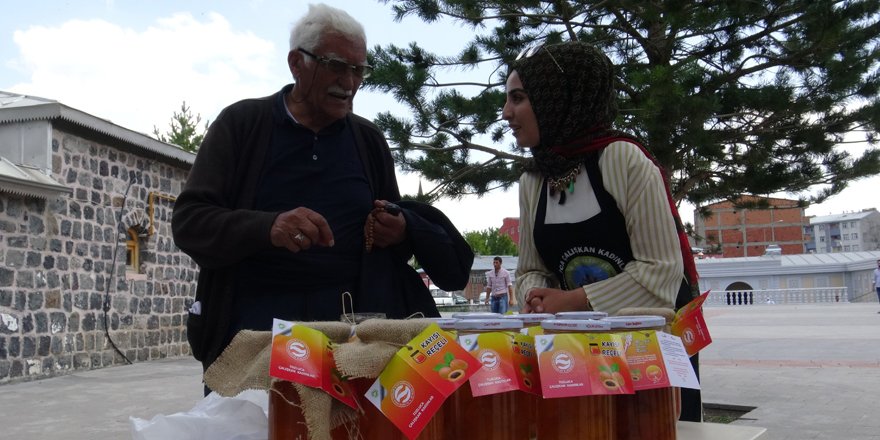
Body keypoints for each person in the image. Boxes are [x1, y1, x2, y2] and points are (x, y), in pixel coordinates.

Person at [171, 3, 473, 377]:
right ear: (297, 63)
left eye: (358, 69)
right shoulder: (242, 125)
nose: (348, 83)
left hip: (351, 338)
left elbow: (389, 241)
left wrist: (399, 231)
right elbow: (189, 222)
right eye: (335, 65)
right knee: (256, 433)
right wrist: (269, 227)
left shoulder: (368, 141)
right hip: (254, 332)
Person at [502, 41, 701, 421]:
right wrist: (537, 299)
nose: (506, 112)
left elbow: (661, 270)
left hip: (649, 351)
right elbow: (530, 270)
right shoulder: (533, 181)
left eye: (518, 98)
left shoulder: (624, 160)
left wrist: (573, 301)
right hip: (577, 352)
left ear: (557, 99)